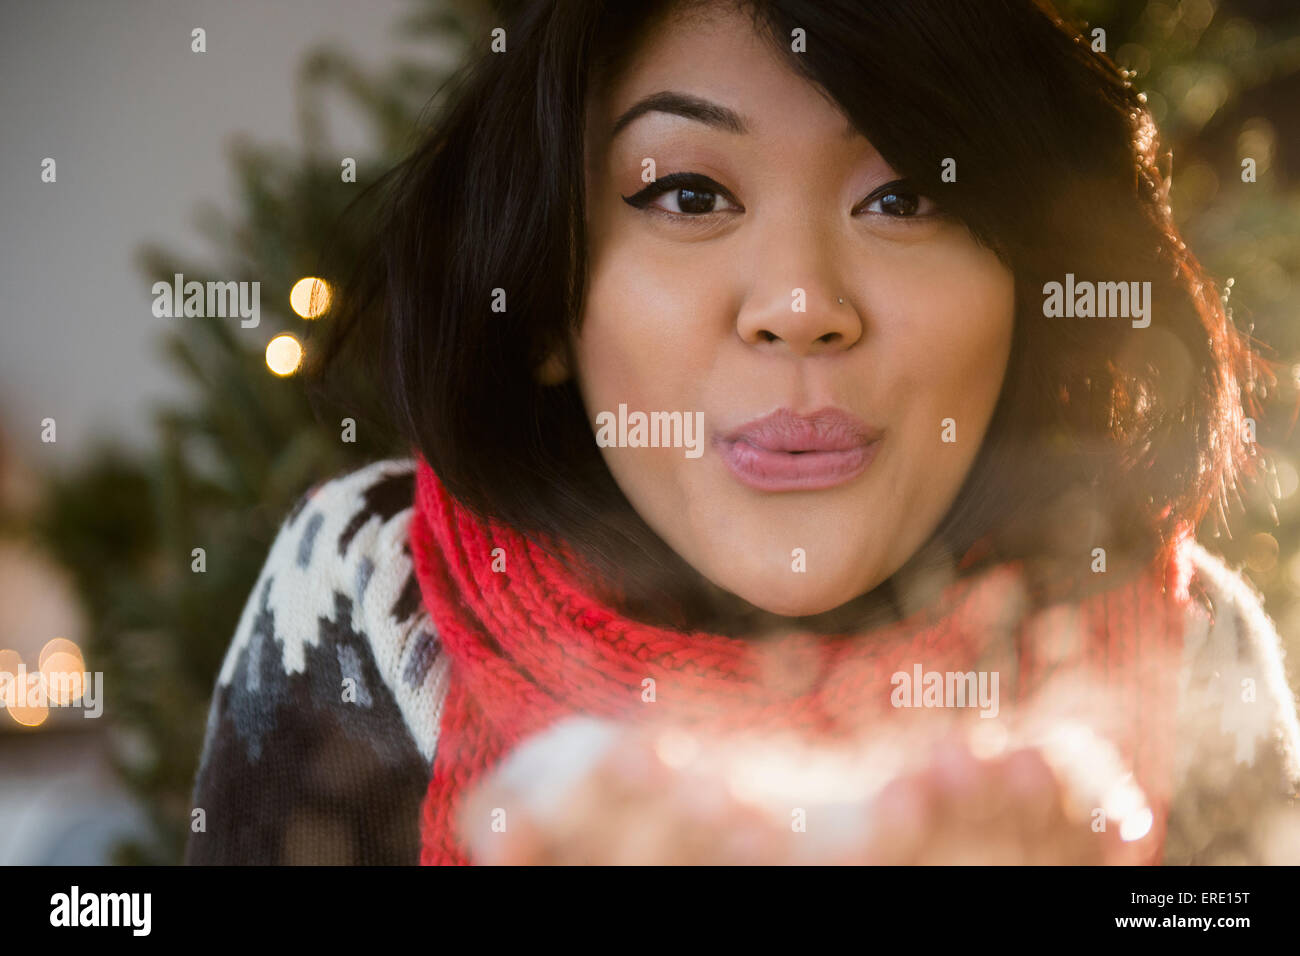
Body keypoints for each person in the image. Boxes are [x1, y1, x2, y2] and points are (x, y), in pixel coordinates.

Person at [184, 0, 1300, 865]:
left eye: (904, 195)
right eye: (686, 194)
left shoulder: (1186, 643)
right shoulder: (358, 593)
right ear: (545, 294)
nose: (800, 302)